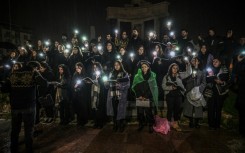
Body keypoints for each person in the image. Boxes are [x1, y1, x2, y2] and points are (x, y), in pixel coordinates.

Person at [1, 61, 48, 153]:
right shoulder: (33, 73)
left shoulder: (13, 73)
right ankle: (28, 150)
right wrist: (36, 73)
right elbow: (44, 84)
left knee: (15, 130)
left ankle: (13, 149)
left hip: (15, 106)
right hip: (28, 106)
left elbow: (4, 89)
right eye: (38, 69)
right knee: (29, 129)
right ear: (34, 68)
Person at [162, 61, 191, 131]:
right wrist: (171, 87)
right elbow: (163, 86)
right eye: (173, 68)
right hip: (170, 95)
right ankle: (168, 124)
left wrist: (188, 65)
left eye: (176, 68)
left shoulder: (180, 75)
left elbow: (188, 73)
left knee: (177, 110)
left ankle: (175, 124)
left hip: (178, 95)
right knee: (170, 109)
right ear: (170, 69)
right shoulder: (166, 77)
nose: (175, 69)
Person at [131, 60, 158, 133]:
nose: (143, 68)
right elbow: (135, 86)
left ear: (148, 67)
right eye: (142, 67)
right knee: (140, 112)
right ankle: (141, 124)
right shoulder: (137, 76)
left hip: (148, 97)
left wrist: (146, 96)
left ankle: (150, 125)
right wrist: (139, 95)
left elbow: (153, 87)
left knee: (148, 112)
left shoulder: (152, 76)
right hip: (139, 97)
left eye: (145, 67)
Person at [104, 60, 130, 132]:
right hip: (112, 94)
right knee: (114, 110)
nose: (116, 66)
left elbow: (128, 85)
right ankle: (115, 124)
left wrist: (120, 86)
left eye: (118, 65)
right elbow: (107, 86)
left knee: (121, 110)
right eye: (115, 65)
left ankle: (121, 124)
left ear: (120, 65)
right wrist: (106, 83)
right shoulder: (111, 73)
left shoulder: (125, 73)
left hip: (121, 95)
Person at [183, 57, 207, 128]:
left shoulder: (202, 72)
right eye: (192, 60)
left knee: (197, 107)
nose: (194, 62)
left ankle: (196, 122)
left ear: (198, 62)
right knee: (189, 107)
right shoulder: (188, 71)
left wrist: (199, 89)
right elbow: (184, 80)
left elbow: (204, 82)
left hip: (198, 92)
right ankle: (191, 121)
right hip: (189, 90)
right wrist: (191, 79)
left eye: (196, 61)